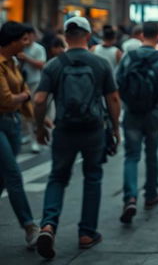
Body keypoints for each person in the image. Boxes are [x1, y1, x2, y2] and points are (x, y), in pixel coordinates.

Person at [32, 16, 120, 259]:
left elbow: (39, 100)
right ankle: (86, 233)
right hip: (93, 129)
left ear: (66, 37)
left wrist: (40, 127)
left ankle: (48, 225)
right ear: (88, 36)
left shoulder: (54, 65)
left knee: (58, 178)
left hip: (64, 130)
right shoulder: (100, 63)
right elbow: (113, 98)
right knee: (92, 178)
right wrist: (115, 128)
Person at [116, 21, 158, 224]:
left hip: (132, 113)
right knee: (151, 154)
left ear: (141, 36)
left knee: (131, 156)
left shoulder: (128, 57)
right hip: (154, 113)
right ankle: (151, 195)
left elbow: (117, 84)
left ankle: (130, 197)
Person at [0, 21, 39, 249]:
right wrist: (25, 96)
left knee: (4, 177)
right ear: (13, 41)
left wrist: (39, 120)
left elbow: (22, 94)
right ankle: (29, 227)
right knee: (13, 175)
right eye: (24, 39)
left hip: (12, 123)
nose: (27, 43)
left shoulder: (13, 62)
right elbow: (6, 99)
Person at [18, 24, 47, 153]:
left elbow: (42, 65)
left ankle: (34, 138)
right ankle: (29, 136)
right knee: (24, 113)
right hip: (22, 83)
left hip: (35, 83)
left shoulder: (39, 48)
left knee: (33, 112)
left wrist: (27, 59)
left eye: (28, 35)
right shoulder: (20, 48)